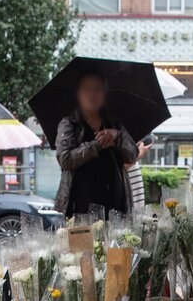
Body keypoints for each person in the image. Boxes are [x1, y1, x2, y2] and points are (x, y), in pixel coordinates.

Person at [54, 71, 138, 218]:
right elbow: (64, 159)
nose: (92, 95)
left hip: (115, 204)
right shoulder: (69, 123)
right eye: (86, 89)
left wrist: (118, 137)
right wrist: (97, 145)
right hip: (80, 206)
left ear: (104, 94)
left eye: (98, 89)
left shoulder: (115, 123)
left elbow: (132, 155)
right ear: (78, 94)